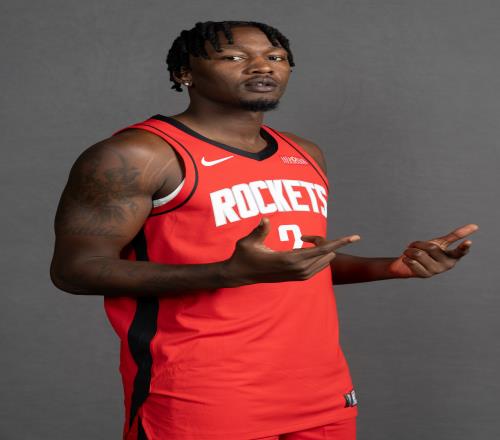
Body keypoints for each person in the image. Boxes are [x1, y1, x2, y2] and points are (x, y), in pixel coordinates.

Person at [49, 20, 478, 440]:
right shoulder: (137, 154)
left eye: (276, 57)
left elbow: (291, 260)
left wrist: (393, 267)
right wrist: (225, 273)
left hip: (319, 389)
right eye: (234, 57)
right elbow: (75, 269)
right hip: (204, 392)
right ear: (184, 73)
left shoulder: (303, 153)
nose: (262, 67)